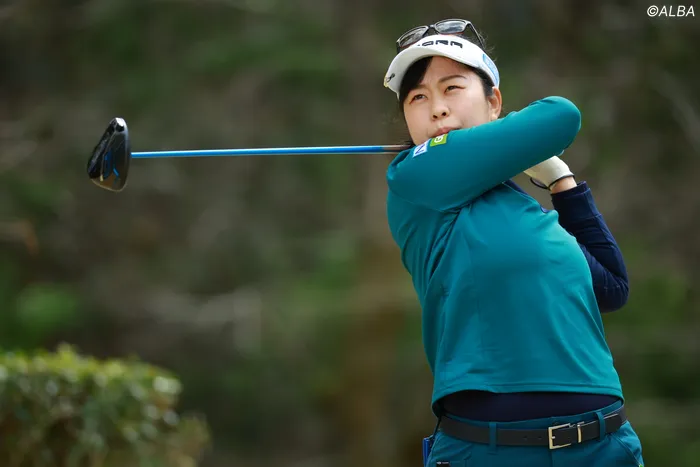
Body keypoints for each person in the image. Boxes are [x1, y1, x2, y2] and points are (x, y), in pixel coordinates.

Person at [382, 19, 645, 467]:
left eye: (452, 88)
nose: (437, 109)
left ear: (494, 102)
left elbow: (611, 288)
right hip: (491, 450)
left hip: (606, 445)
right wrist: (519, 143)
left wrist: (561, 182)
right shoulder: (414, 178)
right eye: (418, 97)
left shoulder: (527, 212)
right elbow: (560, 114)